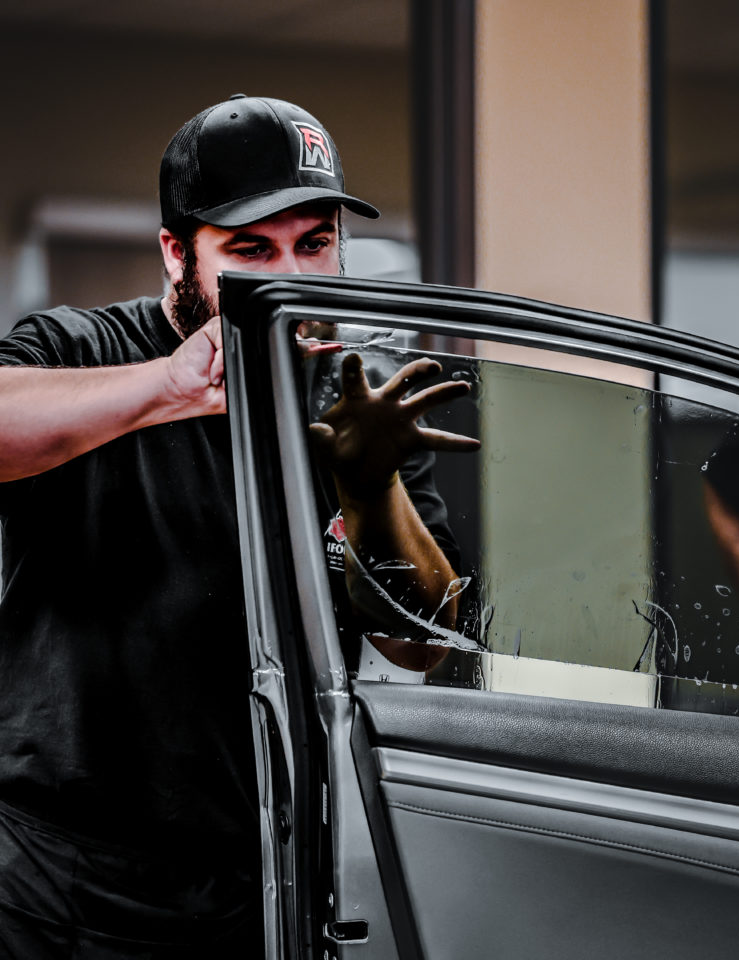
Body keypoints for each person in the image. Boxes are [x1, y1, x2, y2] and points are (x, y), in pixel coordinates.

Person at [0, 96, 477, 956]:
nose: (287, 274)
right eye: (250, 250)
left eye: (314, 244)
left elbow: (426, 641)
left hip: (259, 877)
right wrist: (173, 387)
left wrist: (369, 487)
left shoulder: (355, 403)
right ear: (177, 255)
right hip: (59, 876)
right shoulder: (83, 350)